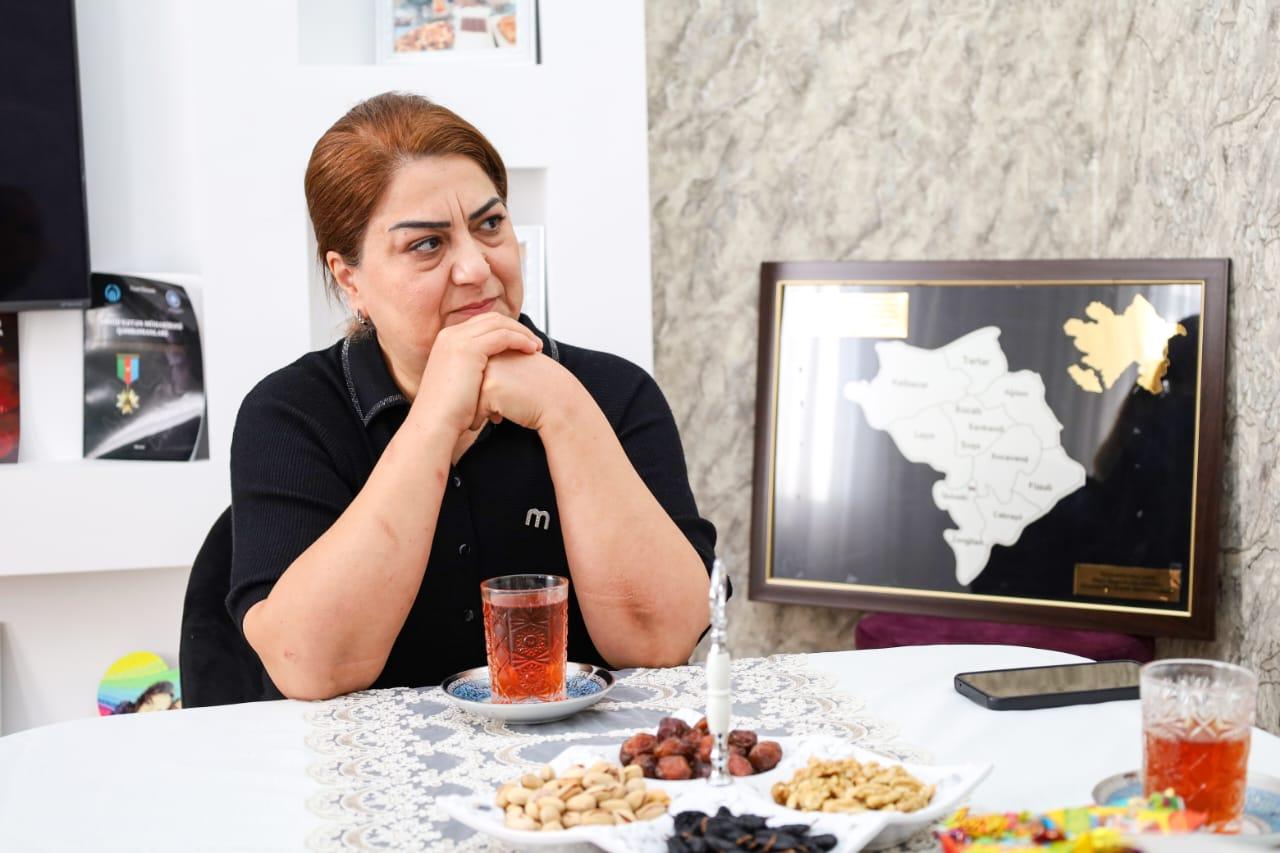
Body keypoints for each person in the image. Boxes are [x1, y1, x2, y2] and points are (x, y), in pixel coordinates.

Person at [227, 92, 717, 701]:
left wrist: (564, 410)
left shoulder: (617, 393)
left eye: (490, 225)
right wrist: (435, 420)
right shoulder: (290, 415)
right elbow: (313, 668)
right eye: (426, 245)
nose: (476, 269)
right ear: (349, 278)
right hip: (374, 761)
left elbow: (662, 642)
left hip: (581, 757)